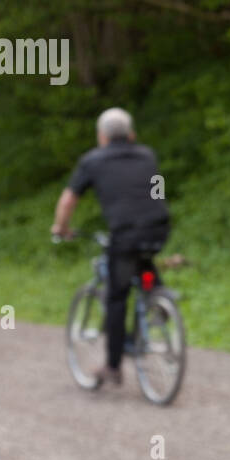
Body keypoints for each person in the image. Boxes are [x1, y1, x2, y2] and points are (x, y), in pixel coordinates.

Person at [51, 108, 170, 387]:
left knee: (117, 296)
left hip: (125, 234)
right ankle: (157, 296)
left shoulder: (93, 160)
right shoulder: (147, 155)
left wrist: (61, 228)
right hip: (159, 228)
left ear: (101, 136)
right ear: (131, 135)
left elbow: (68, 201)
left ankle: (113, 367)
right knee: (142, 259)